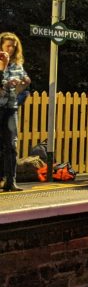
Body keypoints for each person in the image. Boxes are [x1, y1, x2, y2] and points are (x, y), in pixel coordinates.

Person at [0, 32, 31, 192]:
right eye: (8, 46)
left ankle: (11, 181)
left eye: (13, 46)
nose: (11, 49)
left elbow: (25, 79)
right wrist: (6, 82)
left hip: (11, 107)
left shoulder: (18, 64)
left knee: (11, 145)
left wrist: (23, 82)